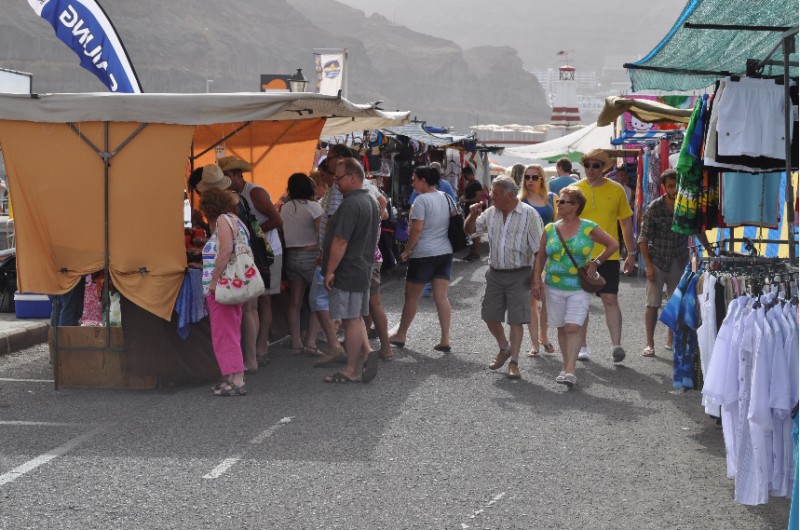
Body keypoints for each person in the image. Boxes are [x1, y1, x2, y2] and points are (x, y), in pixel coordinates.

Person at [531, 186, 619, 387]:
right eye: (558, 201)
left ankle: (570, 370)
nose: (559, 204)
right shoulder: (550, 228)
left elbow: (613, 244)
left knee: (573, 326)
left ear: (576, 206)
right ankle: (566, 365)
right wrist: (536, 280)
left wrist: (596, 262)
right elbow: (541, 256)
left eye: (563, 201)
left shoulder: (588, 227)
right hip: (553, 285)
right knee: (562, 327)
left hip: (579, 287)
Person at [464, 175, 543, 380]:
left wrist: (536, 279)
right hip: (495, 273)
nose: (491, 197)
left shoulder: (529, 215)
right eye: (491, 193)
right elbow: (470, 232)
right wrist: (472, 216)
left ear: (509, 195)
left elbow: (538, 251)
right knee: (489, 315)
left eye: (495, 194)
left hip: (520, 274)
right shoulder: (490, 213)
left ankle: (514, 362)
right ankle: (504, 347)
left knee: (516, 320)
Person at [638, 169, 713, 357]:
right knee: (652, 303)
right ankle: (649, 343)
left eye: (676, 186)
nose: (674, 189)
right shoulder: (654, 208)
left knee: (675, 302)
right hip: (657, 260)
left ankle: (670, 338)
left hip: (679, 260)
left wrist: (710, 250)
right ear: (664, 187)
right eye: (670, 186)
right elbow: (643, 238)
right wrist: (647, 265)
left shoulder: (686, 206)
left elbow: (697, 230)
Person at [218, 156, 283, 370]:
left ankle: (261, 347)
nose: (225, 181)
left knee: (262, 302)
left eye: (226, 177)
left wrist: (251, 235)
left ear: (237, 175)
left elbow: (277, 219)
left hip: (267, 252)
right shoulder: (235, 196)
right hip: (252, 253)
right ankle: (254, 352)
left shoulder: (254, 192)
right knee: (254, 304)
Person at [574, 148, 637, 363]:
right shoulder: (573, 190)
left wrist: (631, 252)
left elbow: (625, 222)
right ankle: (582, 346)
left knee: (610, 298)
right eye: (587, 165)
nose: (591, 169)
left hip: (608, 255)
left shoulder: (617, 190)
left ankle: (616, 345)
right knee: (581, 301)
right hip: (579, 255)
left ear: (603, 167)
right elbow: (562, 222)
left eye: (596, 165)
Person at [321, 158, 380, 383]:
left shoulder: (350, 204)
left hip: (348, 269)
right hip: (362, 267)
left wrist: (330, 270)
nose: (335, 182)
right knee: (354, 317)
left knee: (350, 319)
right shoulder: (371, 200)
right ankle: (364, 355)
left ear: (352, 177)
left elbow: (340, 241)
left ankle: (351, 370)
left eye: (339, 177)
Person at [388, 165, 454, 352]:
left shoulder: (421, 201)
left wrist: (407, 250)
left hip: (424, 253)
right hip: (444, 252)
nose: (412, 183)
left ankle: (401, 334)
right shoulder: (446, 197)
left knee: (411, 297)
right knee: (441, 297)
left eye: (414, 179)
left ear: (423, 180)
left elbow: (416, 229)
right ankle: (445, 338)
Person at [198, 179, 250, 396]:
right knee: (231, 330)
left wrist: (213, 281)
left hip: (222, 286)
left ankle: (237, 379)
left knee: (224, 333)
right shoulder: (236, 221)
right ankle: (231, 376)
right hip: (234, 285)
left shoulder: (221, 221)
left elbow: (226, 250)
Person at [280, 172, 324, 355]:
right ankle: (311, 342)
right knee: (317, 300)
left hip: (291, 257)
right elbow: (321, 234)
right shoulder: (314, 207)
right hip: (311, 256)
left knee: (295, 302)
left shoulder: (284, 208)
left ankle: (296, 341)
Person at [518, 164, 555, 357]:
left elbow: (558, 224)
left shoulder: (552, 199)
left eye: (534, 177)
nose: (530, 181)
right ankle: (535, 344)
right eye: (527, 177)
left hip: (551, 253)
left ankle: (544, 335)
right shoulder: (520, 200)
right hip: (529, 255)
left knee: (547, 299)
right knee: (533, 300)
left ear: (542, 179)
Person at [459, 165, 484, 261]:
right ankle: (472, 252)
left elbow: (478, 198)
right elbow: (466, 194)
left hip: (475, 210)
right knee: (470, 232)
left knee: (475, 232)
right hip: (469, 210)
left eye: (465, 175)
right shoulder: (470, 183)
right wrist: (463, 198)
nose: (465, 177)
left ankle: (475, 253)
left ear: (470, 174)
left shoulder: (477, 184)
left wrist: (466, 200)